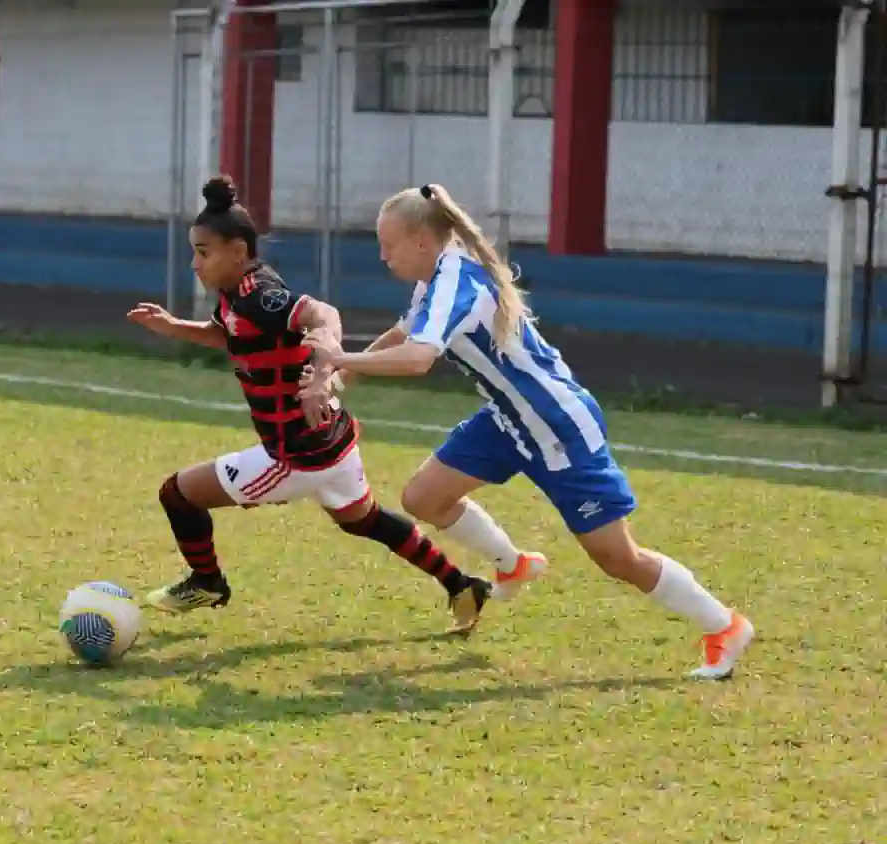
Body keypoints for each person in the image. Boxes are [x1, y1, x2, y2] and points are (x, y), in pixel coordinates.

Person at [298, 183, 754, 680]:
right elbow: (405, 334)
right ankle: (512, 563)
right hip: (508, 419)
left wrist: (339, 358)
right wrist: (342, 378)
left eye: (389, 244)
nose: (382, 255)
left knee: (618, 558)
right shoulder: (439, 276)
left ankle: (724, 626)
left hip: (556, 425)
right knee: (424, 498)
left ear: (423, 243)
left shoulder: (454, 283)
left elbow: (418, 358)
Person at [126, 175, 504, 634]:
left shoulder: (259, 295)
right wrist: (173, 326)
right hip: (333, 442)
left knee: (177, 494)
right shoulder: (235, 298)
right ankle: (462, 584)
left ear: (239, 254)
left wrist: (324, 364)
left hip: (296, 453)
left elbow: (323, 314)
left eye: (203, 253)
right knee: (364, 521)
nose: (194, 263)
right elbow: (228, 334)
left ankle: (207, 581)